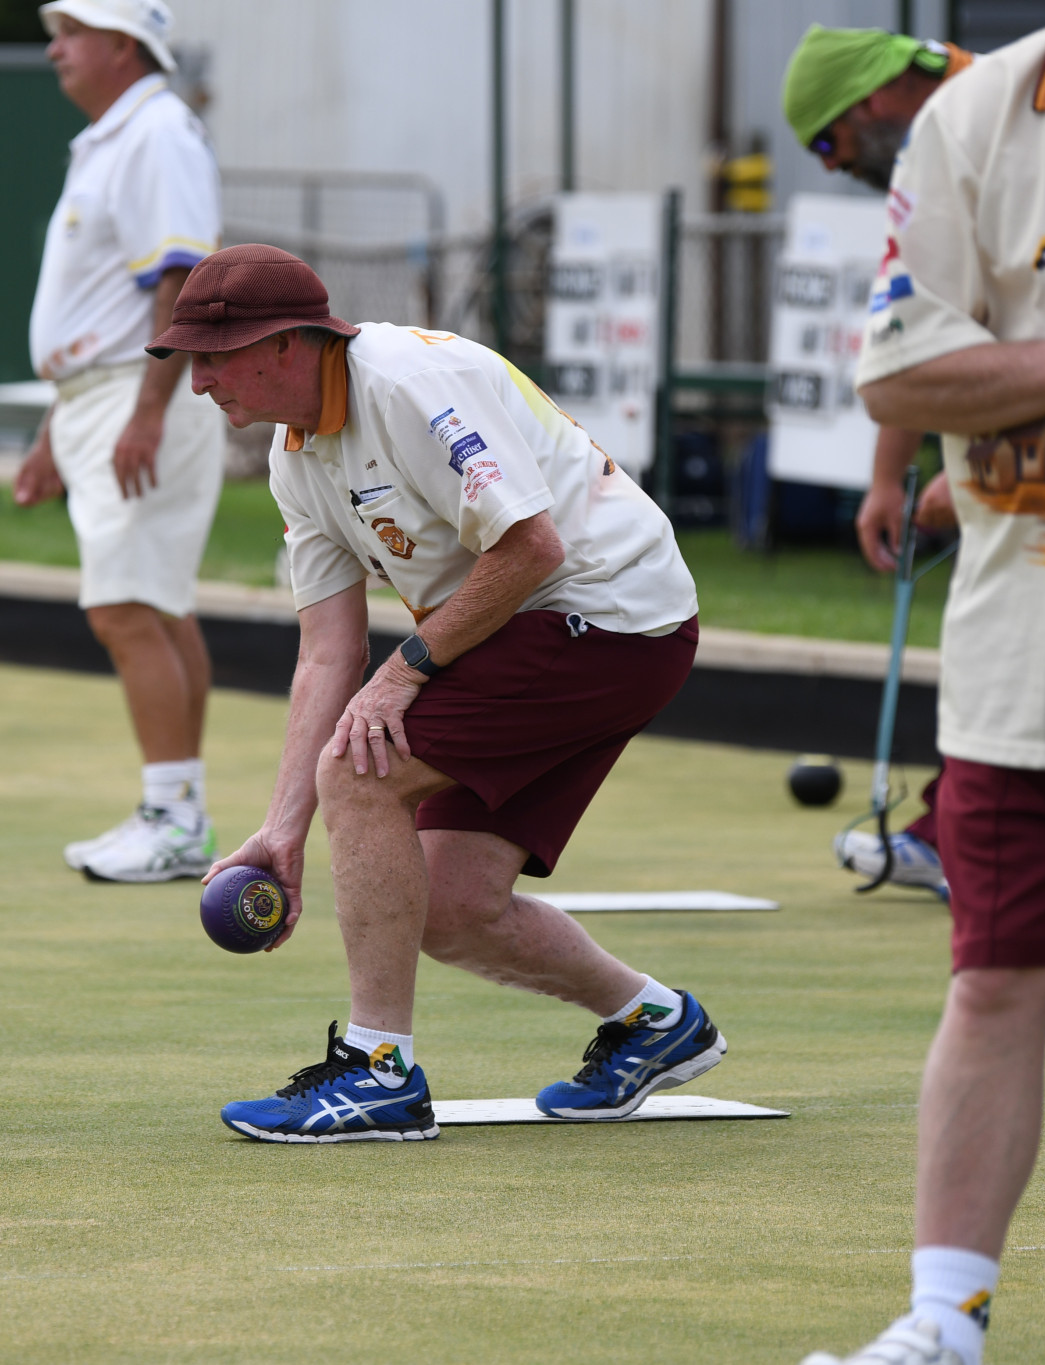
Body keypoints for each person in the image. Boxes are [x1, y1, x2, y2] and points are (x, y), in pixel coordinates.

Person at [801, 5, 1045, 1363]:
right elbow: (900, 364)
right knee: (992, 988)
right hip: (1036, 674)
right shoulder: (983, 112)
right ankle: (941, 1324)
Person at [149, 244, 724, 1142]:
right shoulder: (295, 460)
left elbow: (533, 547)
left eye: (213, 359)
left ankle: (380, 1070)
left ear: (285, 345)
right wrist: (282, 828)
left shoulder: (408, 384)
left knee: (364, 769)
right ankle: (655, 1021)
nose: (197, 384)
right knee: (449, 906)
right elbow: (325, 655)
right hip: (533, 626)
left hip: (608, 612)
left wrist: (405, 670)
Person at [15, 0, 227, 883]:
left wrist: (146, 407)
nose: (55, 48)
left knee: (127, 607)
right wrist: (53, 429)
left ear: (120, 44)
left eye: (69, 31)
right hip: (99, 397)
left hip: (144, 396)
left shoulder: (157, 133)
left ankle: (173, 817)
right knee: (156, 601)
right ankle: (175, 811)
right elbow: (100, 306)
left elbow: (180, 273)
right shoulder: (114, 137)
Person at [783, 25, 977, 901]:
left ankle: (985, 846)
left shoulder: (996, 114)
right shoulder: (929, 161)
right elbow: (910, 318)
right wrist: (887, 478)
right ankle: (967, 837)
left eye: (828, 140)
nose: (828, 164)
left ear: (872, 99)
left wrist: (992, 454)